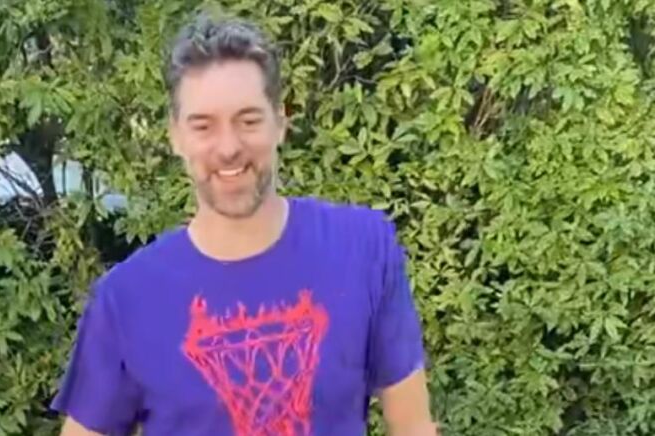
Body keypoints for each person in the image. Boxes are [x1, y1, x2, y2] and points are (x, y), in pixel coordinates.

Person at [50, 12, 438, 436]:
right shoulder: (126, 298)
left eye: (248, 120)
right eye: (203, 126)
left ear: (280, 122)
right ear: (175, 135)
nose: (229, 147)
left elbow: (413, 426)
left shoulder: (362, 248)